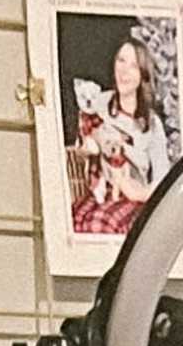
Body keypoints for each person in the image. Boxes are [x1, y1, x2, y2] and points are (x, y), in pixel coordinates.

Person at [71, 27, 172, 238]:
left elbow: (163, 180)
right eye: (121, 61)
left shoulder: (152, 124)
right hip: (100, 189)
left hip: (133, 199)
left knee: (100, 224)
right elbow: (84, 140)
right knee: (78, 219)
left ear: (143, 73)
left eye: (133, 65)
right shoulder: (98, 102)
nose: (124, 71)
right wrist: (86, 147)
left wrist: (138, 192)